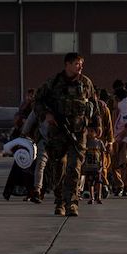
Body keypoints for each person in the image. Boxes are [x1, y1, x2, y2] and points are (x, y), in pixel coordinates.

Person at [35, 52, 98, 217]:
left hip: (78, 133)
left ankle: (72, 204)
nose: (80, 67)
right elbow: (38, 100)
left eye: (81, 64)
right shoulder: (54, 82)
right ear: (67, 64)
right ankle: (59, 203)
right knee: (58, 168)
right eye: (77, 64)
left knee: (74, 168)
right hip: (58, 133)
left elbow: (94, 104)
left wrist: (95, 126)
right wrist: (47, 115)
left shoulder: (86, 82)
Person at [83, 125, 106, 204]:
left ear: (97, 133)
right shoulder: (86, 142)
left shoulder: (99, 142)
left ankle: (99, 197)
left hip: (97, 166)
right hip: (89, 166)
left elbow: (103, 153)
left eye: (91, 131)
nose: (89, 133)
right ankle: (91, 197)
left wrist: (102, 163)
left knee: (99, 181)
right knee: (90, 182)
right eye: (88, 131)